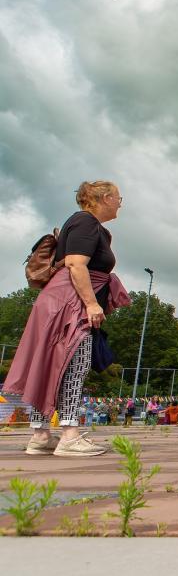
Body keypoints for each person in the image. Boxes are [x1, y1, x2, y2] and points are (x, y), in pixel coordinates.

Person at [3, 182, 131, 457]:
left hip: (58, 302)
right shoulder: (86, 222)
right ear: (105, 198)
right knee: (76, 364)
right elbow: (75, 263)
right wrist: (91, 303)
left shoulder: (84, 224)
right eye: (118, 198)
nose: (120, 203)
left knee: (48, 364)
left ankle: (40, 435)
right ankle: (70, 435)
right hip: (68, 304)